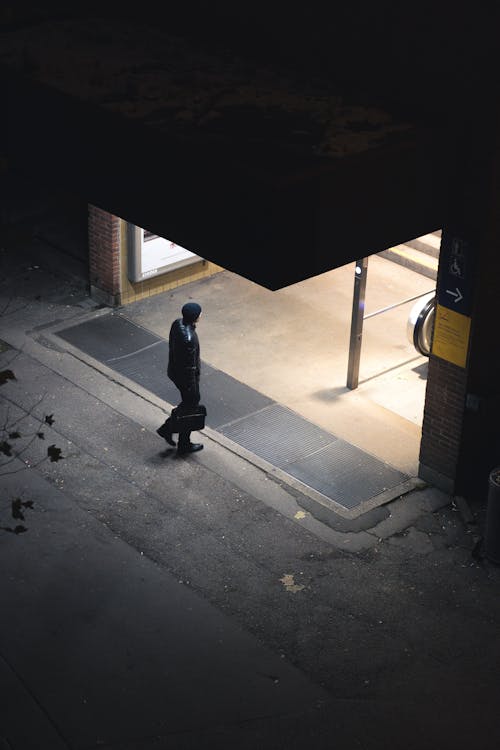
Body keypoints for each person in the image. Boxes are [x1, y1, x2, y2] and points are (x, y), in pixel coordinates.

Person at [157, 301, 204, 455]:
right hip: (186, 380)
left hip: (175, 372)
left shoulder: (177, 324)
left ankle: (169, 430)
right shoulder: (189, 338)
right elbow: (190, 368)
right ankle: (183, 443)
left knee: (187, 407)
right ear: (196, 317)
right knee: (190, 408)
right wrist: (194, 391)